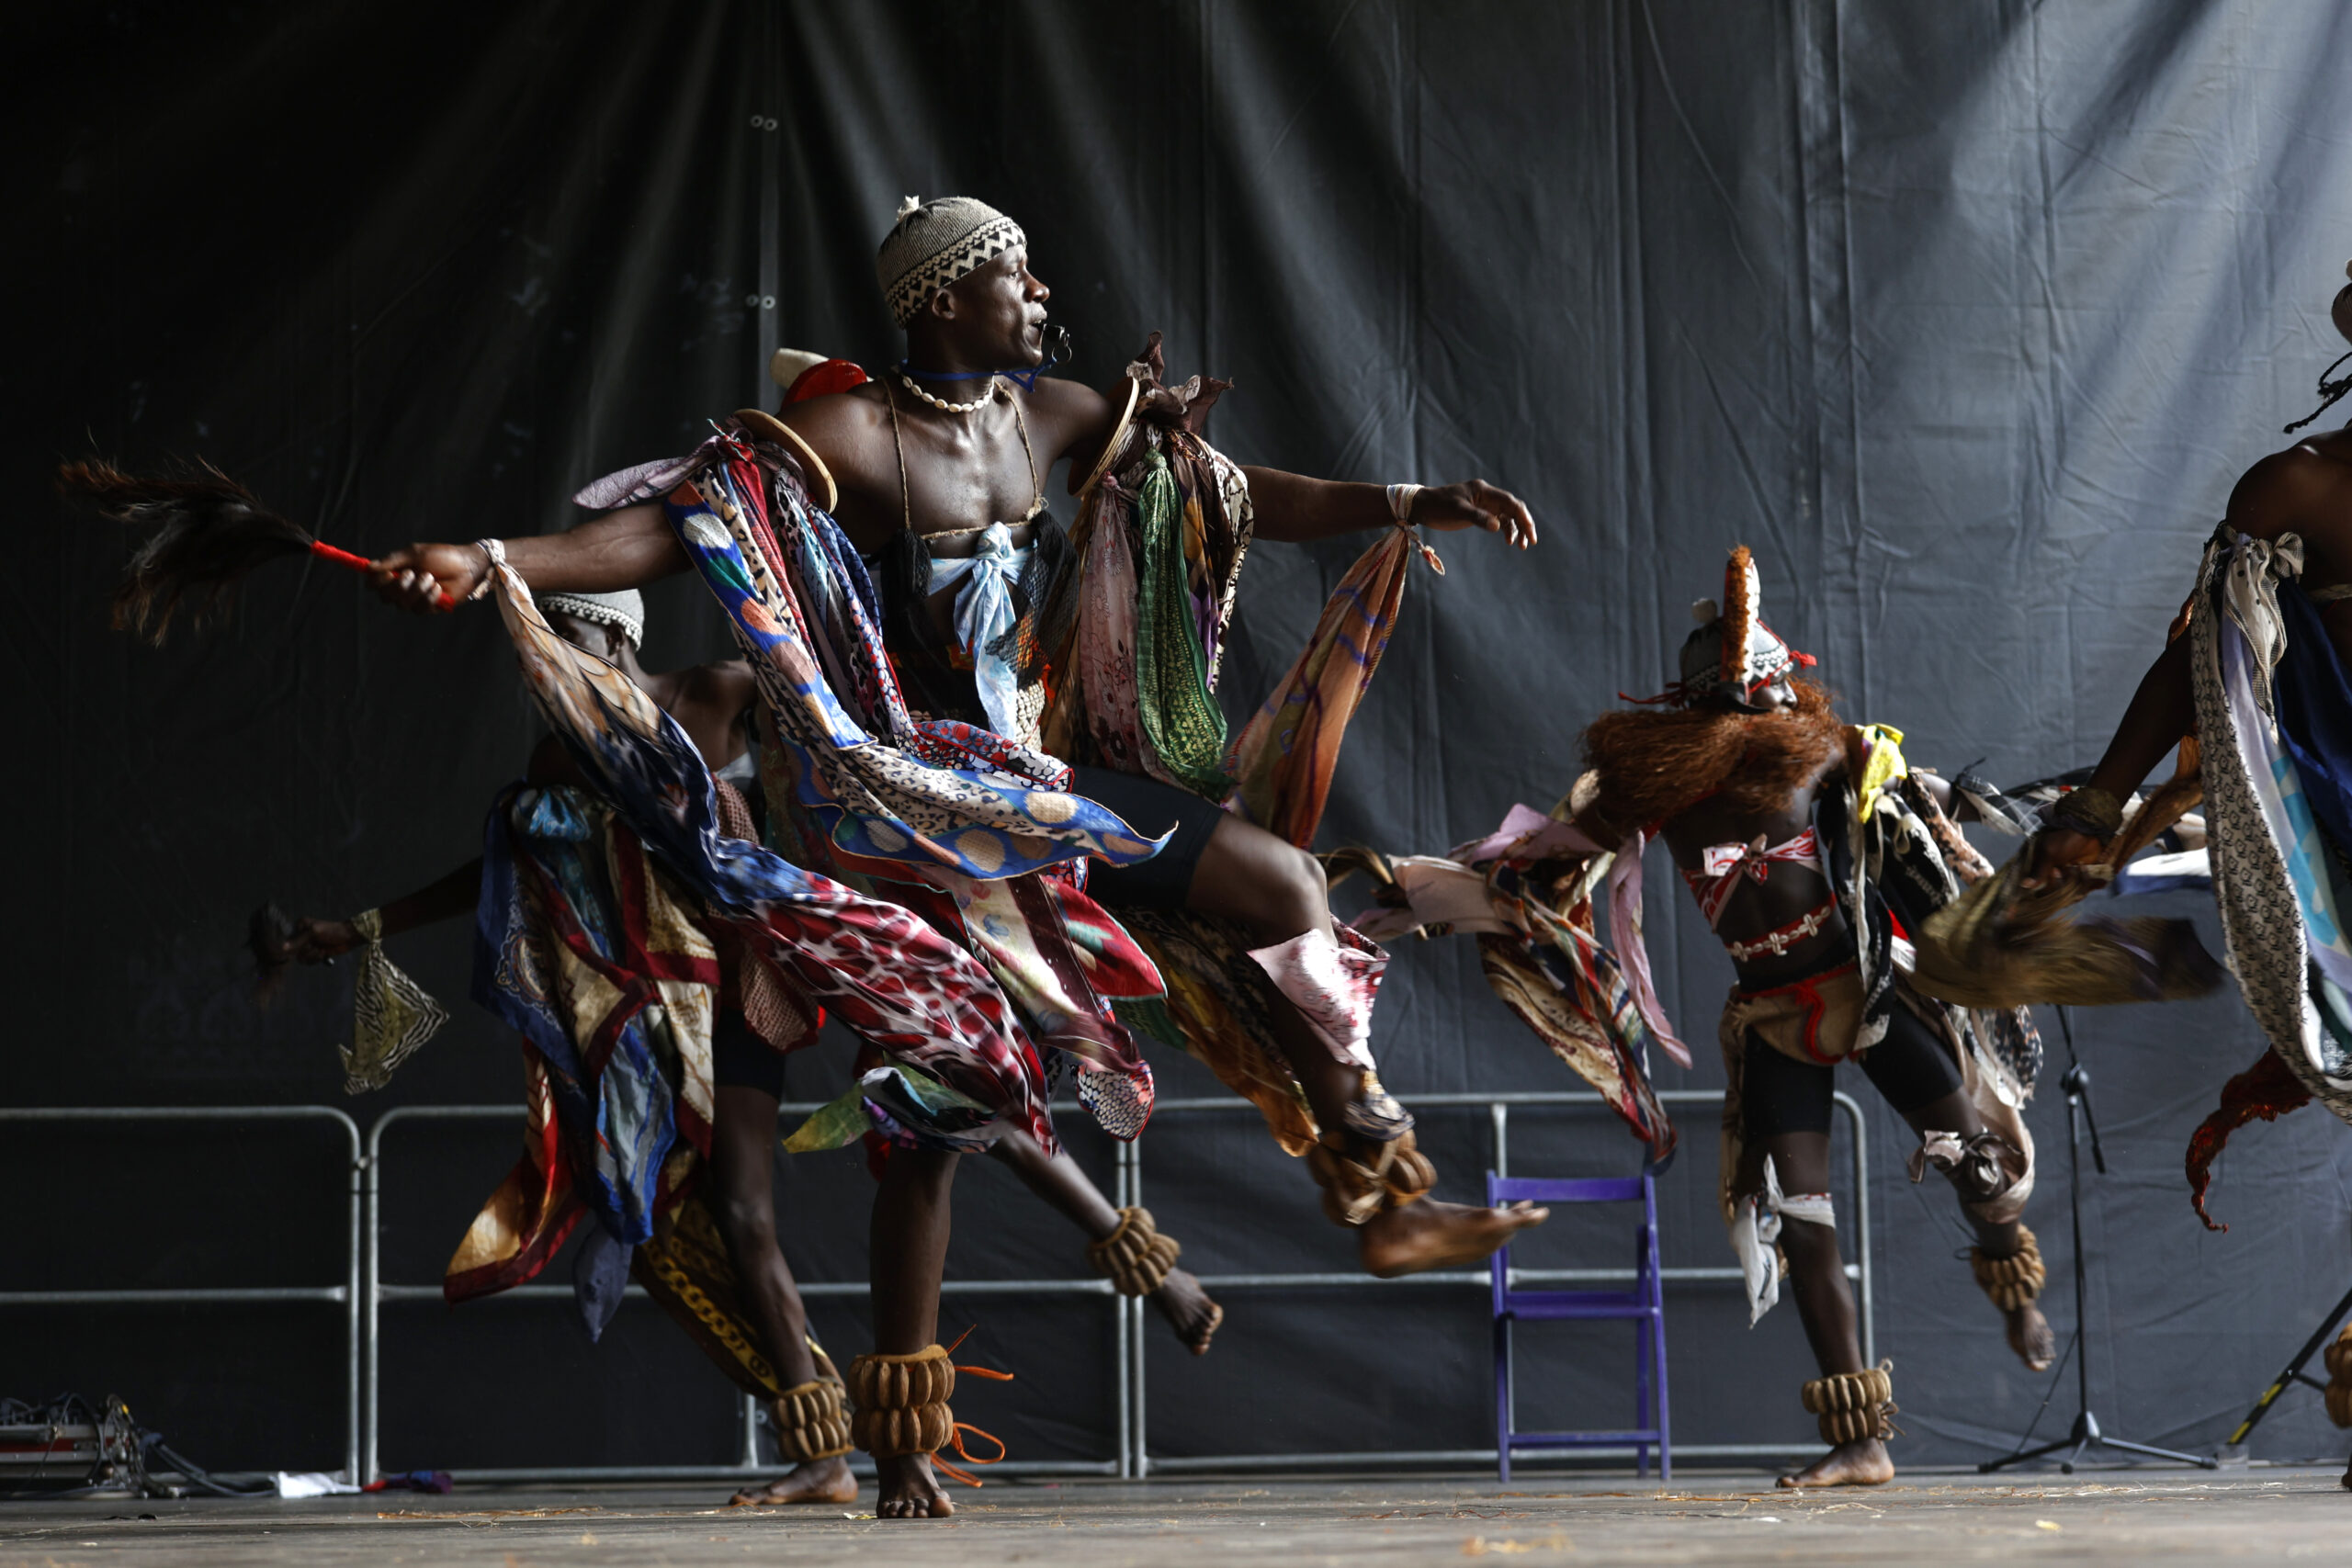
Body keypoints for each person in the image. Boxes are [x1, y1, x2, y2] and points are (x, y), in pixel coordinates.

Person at [363, 196, 1545, 1514]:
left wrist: (1402, 498)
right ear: (943, 299)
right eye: (1015, 276)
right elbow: (684, 526)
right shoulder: (855, 438)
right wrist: (492, 558)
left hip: (1039, 785)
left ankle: (1372, 1182)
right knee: (938, 1117)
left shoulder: (1058, 417)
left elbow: (1226, 493)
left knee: (1281, 881)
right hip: (916, 811)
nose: (1042, 295)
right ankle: (902, 1437)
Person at [269, 588, 1223, 1506]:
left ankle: (1150, 1265)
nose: (551, 673)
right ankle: (816, 1447)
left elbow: (850, 769)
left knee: (965, 1101)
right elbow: (502, 864)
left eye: (565, 648)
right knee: (735, 1205)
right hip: (723, 990)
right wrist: (358, 928)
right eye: (539, 658)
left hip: (827, 929)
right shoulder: (571, 756)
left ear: (615, 639)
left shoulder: (730, 691)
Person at [1530, 548, 2052, 1490]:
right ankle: (1863, 1442)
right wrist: (1471, 885)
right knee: (1801, 1219)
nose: (1760, 712)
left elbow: (1920, 804)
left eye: (1765, 697)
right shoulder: (1655, 793)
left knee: (1975, 1160)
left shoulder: (1824, 754)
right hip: (1775, 1017)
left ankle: (2006, 1265)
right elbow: (1550, 852)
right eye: (1741, 700)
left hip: (1868, 994)